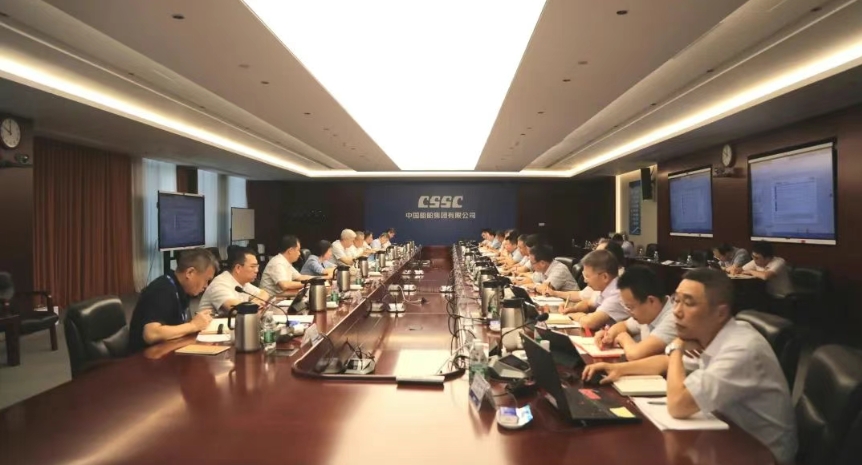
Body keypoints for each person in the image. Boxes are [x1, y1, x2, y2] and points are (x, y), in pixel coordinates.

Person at [666, 268, 796, 464]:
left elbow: (677, 405)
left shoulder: (741, 349)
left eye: (689, 303)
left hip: (762, 455)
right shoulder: (711, 335)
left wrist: (677, 347)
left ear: (720, 313)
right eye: (676, 300)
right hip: (728, 437)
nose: (677, 311)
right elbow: (668, 367)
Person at [128, 248, 218, 352]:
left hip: (167, 350)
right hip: (144, 357)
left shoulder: (182, 289)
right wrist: (193, 325)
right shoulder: (162, 289)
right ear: (190, 273)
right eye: (206, 280)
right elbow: (151, 334)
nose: (206, 286)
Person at [592, 265, 676, 360]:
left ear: (651, 301)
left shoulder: (673, 319)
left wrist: (623, 337)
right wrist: (608, 336)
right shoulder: (648, 312)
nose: (629, 313)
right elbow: (623, 325)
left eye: (630, 307)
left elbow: (635, 354)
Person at [565, 250, 629, 330]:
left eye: (587, 276)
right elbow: (588, 304)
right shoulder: (605, 288)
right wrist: (573, 309)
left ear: (605, 277)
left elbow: (590, 323)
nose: (585, 281)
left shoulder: (617, 293)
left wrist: (577, 316)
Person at [199, 247, 269, 317]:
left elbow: (264, 293)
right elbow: (238, 310)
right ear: (238, 268)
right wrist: (255, 304)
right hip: (209, 323)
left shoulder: (243, 282)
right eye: (252, 266)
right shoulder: (219, 284)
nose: (256, 270)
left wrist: (256, 302)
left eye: (257, 266)